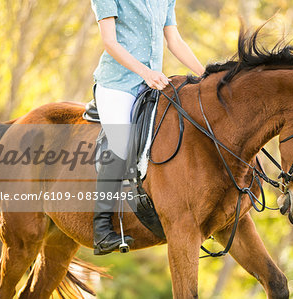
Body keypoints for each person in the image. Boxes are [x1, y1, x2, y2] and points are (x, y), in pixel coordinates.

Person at [91, 0, 204, 255]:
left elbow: (174, 40)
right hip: (117, 84)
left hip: (151, 83)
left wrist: (207, 75)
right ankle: (101, 229)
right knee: (121, 142)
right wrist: (145, 72)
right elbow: (110, 42)